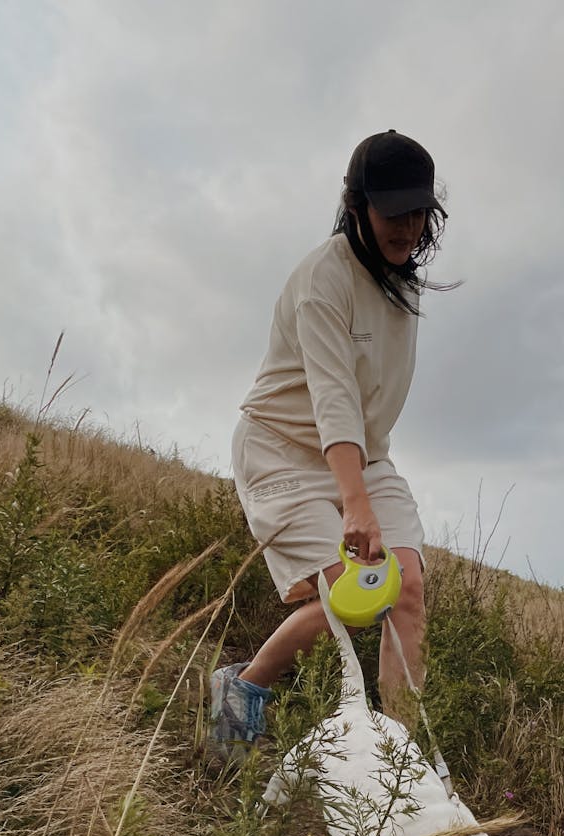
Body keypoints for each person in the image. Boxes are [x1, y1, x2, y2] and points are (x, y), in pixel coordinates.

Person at [211, 129, 451, 758]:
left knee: (406, 589)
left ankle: (403, 774)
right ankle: (239, 692)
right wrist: (356, 502)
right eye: (391, 211)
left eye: (418, 211)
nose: (407, 226)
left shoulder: (404, 285)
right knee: (352, 595)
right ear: (356, 207)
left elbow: (370, 402)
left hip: (364, 456)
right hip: (283, 447)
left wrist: (366, 485)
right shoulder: (325, 279)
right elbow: (332, 397)